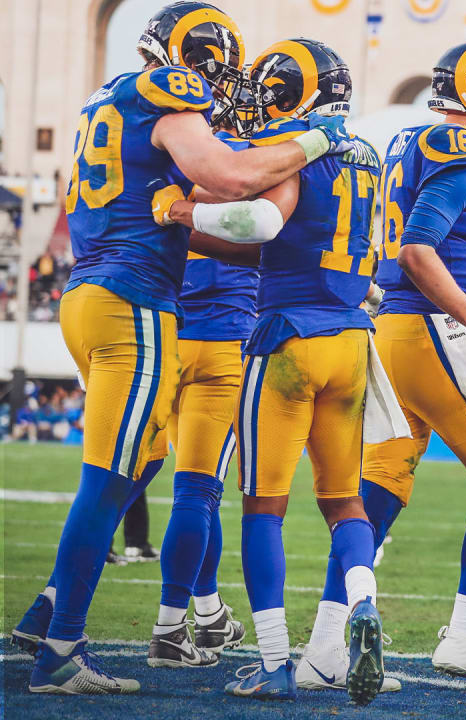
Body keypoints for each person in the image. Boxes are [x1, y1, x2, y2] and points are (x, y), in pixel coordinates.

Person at [15, 1, 349, 696]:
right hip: (132, 301)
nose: (222, 85)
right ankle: (62, 646)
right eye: (219, 68)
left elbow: (188, 221)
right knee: (110, 479)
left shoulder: (110, 99)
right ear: (198, 58)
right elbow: (230, 178)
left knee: (130, 465)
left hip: (95, 294)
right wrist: (316, 142)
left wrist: (204, 221)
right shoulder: (171, 91)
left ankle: (50, 614)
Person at [165, 39, 388, 703]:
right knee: (344, 502)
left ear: (292, 89)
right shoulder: (367, 152)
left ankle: (270, 666)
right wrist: (187, 235)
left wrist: (180, 212)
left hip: (288, 340)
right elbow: (281, 248)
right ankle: (365, 606)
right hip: (352, 338)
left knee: (262, 509)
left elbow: (259, 223)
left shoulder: (296, 144)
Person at [357, 40, 466, 690]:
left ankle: (329, 637)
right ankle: (463, 634)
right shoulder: (461, 147)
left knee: (380, 488)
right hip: (430, 333)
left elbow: (424, 252)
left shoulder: (410, 136)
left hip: (392, 330)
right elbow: (416, 250)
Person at [144, 110, 255, 672]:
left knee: (127, 482)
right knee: (198, 492)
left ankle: (209, 616)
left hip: (165, 338)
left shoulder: (167, 163)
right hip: (224, 343)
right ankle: (169, 630)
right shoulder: (250, 164)